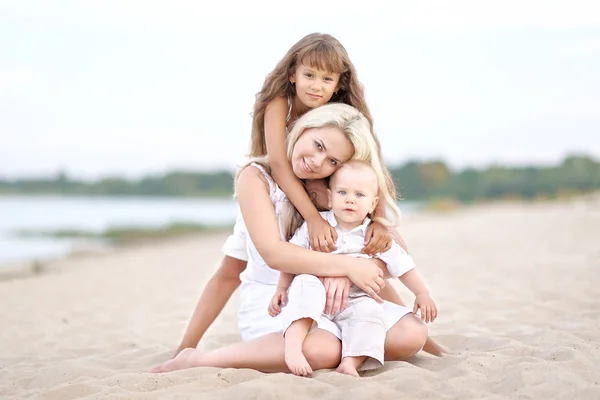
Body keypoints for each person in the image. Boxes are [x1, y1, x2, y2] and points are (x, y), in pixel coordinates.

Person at [173, 32, 444, 358]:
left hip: (329, 270)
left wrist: (380, 224)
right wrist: (316, 222)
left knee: (363, 250)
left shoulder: (338, 143)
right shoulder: (278, 113)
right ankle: (187, 350)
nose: (316, 85)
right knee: (233, 268)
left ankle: (412, 336)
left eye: (332, 159)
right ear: (293, 73)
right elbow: (279, 163)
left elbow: (370, 175)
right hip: (277, 209)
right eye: (309, 75)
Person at [152, 104, 430, 374]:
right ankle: (200, 360)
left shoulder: (336, 192)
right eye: (318, 145)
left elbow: (388, 255)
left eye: (332, 161)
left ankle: (346, 348)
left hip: (343, 300)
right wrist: (346, 267)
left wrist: (369, 243)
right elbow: (263, 259)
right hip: (279, 298)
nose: (317, 162)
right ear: (302, 129)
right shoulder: (257, 179)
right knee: (323, 350)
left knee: (411, 335)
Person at [268, 161, 438, 377]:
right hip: (318, 301)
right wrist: (281, 288)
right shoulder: (318, 225)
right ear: (330, 198)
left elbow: (402, 265)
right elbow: (292, 257)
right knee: (304, 282)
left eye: (359, 195)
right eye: (342, 192)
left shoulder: (374, 237)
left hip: (357, 299)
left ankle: (350, 362)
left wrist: (421, 293)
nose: (350, 199)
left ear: (373, 203)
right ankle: (293, 347)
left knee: (372, 313)